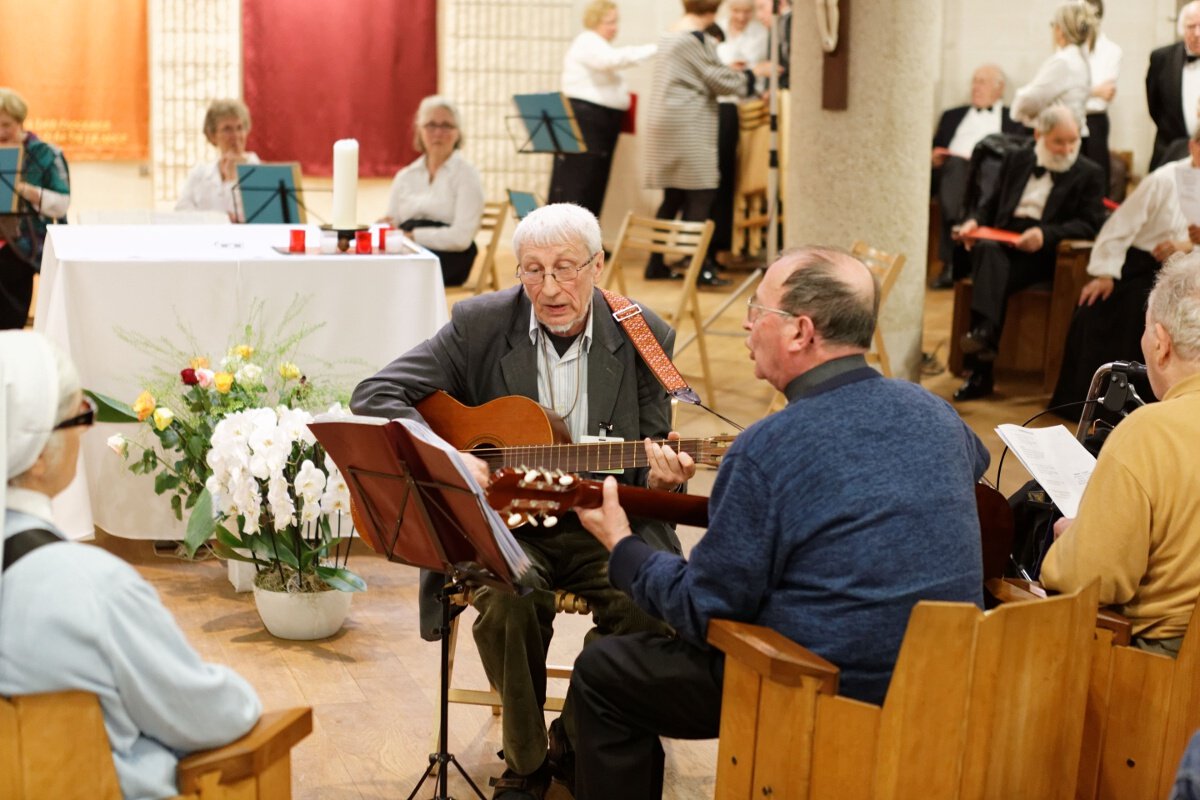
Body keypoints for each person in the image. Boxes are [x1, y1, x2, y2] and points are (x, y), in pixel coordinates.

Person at [559, 246, 988, 800]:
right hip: (946, 680)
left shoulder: (769, 447)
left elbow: (703, 609)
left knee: (603, 670)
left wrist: (621, 544)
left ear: (800, 332)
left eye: (758, 310)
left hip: (814, 680)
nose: (746, 322)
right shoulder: (935, 412)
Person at [349, 203, 694, 800]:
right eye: (532, 270)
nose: (550, 288)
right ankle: (528, 762)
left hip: (602, 518)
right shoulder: (480, 324)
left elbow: (653, 458)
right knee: (511, 605)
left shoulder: (645, 334)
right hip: (510, 524)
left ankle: (577, 732)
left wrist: (666, 481)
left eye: (566, 268)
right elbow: (374, 392)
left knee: (650, 608)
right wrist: (451, 456)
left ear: (598, 265)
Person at [0, 330, 262, 800]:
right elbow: (207, 714)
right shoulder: (88, 588)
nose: (84, 433)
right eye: (80, 416)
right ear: (38, 456)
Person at [1041, 255, 1200, 657]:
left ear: (1162, 344)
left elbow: (1090, 581)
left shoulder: (1151, 433)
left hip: (1162, 674)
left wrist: (1072, 537)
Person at [953, 105, 1106, 402]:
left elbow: (1090, 223)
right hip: (1002, 239)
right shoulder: (1017, 158)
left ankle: (982, 359)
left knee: (989, 268)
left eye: (1072, 141)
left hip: (1043, 252)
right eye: (1058, 141)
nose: (1067, 149)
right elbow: (991, 202)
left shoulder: (1089, 172)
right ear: (1039, 135)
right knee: (986, 250)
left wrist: (1045, 235)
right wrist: (975, 221)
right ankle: (984, 339)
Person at [1050, 128, 1200, 412]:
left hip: (1191, 276)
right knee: (1102, 313)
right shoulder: (1164, 179)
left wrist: (1186, 245)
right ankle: (1098, 407)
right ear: (1193, 146)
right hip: (1144, 267)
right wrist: (1105, 273)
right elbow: (1120, 226)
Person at [642, 0, 770, 286]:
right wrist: (753, 74)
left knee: (673, 196)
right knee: (703, 193)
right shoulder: (695, 38)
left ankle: (655, 264)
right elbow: (720, 80)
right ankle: (697, 268)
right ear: (714, 9)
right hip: (688, 125)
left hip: (668, 124)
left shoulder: (670, 34)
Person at [547, 1, 656, 218]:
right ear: (595, 22)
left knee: (596, 183)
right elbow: (610, 61)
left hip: (601, 121)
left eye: (616, 22)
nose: (614, 27)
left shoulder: (600, 45)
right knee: (582, 182)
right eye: (609, 22)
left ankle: (589, 238)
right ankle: (572, 238)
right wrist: (655, 48)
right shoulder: (587, 41)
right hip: (587, 120)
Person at [930, 65, 1027, 289]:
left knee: (989, 170)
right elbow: (936, 149)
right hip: (954, 172)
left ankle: (960, 259)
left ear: (1000, 88)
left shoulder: (1013, 118)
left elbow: (1018, 156)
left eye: (982, 81)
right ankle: (955, 259)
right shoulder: (952, 116)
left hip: (991, 176)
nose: (976, 87)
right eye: (974, 81)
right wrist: (934, 157)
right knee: (955, 169)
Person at [381, 95, 485, 287]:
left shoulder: (467, 176)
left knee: (394, 275)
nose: (438, 133)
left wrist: (413, 236)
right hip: (408, 252)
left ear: (457, 133)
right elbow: (393, 222)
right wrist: (383, 228)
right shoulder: (405, 176)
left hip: (449, 257)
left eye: (446, 126)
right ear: (419, 130)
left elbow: (461, 237)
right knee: (376, 266)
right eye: (430, 125)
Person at [0, 87, 69, 330]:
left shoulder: (45, 154)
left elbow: (61, 203)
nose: (1, 132)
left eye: (6, 124)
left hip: (22, 251)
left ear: (20, 122)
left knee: (10, 327)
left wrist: (28, 191)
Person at [709, 0, 769, 259]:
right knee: (710, 175)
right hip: (714, 105)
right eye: (736, 11)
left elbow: (759, 75)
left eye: (746, 12)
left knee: (731, 175)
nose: (741, 17)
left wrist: (751, 75)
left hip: (741, 107)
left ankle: (722, 243)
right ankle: (705, 246)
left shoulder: (761, 34)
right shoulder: (716, 29)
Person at [1011, 2, 1096, 138]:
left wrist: (1017, 110)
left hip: (1057, 137)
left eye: (1053, 25)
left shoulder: (1063, 61)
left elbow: (1030, 99)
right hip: (1071, 134)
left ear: (1060, 30)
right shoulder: (1080, 59)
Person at [175, 98, 260, 222]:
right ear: (212, 136)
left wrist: (232, 180)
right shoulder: (200, 173)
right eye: (227, 129)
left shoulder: (259, 170)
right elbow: (181, 212)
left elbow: (248, 218)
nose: (235, 136)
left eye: (240, 128)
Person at [1147, 1, 1200, 171]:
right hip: (1170, 150)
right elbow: (1154, 106)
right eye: (1191, 26)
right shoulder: (1161, 58)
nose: (1198, 33)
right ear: (1182, 28)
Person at [1082, 0, 1121, 194]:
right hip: (1071, 118)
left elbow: (1104, 96)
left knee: (1096, 179)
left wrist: (1081, 91)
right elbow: (1061, 92)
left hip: (1095, 121)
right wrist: (1092, 90)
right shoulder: (1071, 48)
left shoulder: (1111, 50)